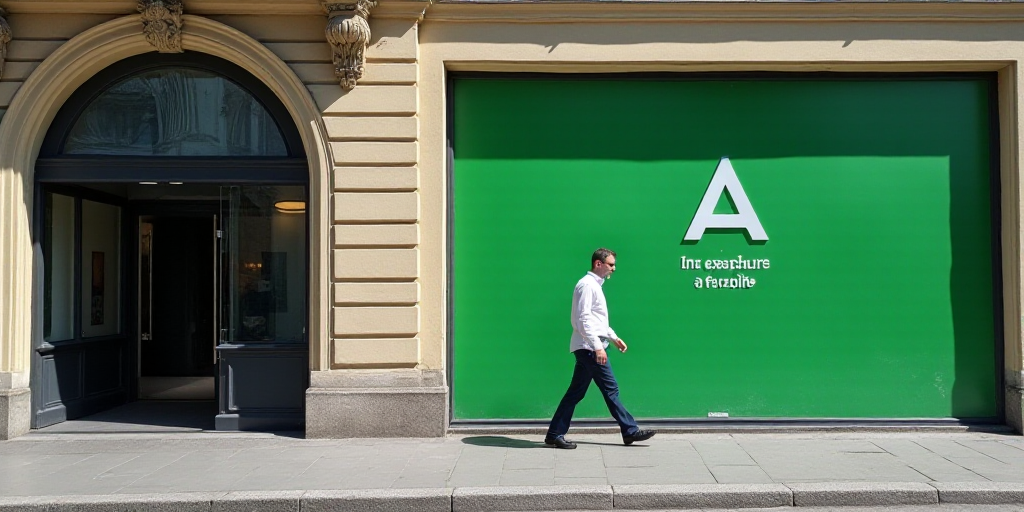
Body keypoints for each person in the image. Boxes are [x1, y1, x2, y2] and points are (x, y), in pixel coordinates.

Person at [545, 248, 656, 449]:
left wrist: (613, 337)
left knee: (575, 393)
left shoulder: (594, 285)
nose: (614, 269)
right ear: (598, 264)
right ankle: (630, 430)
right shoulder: (587, 286)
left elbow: (596, 320)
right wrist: (598, 347)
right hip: (589, 347)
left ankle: (554, 434)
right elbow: (583, 319)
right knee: (610, 389)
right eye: (611, 264)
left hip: (588, 346)